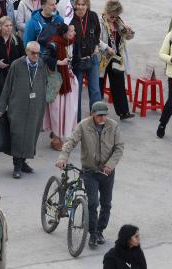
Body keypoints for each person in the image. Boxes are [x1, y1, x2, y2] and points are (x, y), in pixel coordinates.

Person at [56, 101, 124, 248]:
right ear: (92, 114)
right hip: (90, 171)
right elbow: (71, 142)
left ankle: (100, 230)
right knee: (93, 203)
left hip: (107, 172)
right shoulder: (83, 125)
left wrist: (110, 165)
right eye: (99, 115)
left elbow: (119, 148)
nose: (102, 118)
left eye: (105, 115)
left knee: (106, 204)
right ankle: (92, 233)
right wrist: (63, 158)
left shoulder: (113, 126)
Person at [0, 41, 46, 178]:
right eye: (33, 53)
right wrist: (1, 107)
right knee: (18, 135)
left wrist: (43, 105)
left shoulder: (41, 64)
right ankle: (17, 166)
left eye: (38, 53)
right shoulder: (16, 65)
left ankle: (23, 162)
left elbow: (44, 84)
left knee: (31, 135)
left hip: (35, 106)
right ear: (26, 51)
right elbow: (7, 87)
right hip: (18, 105)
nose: (36, 56)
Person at [43, 24, 78, 151]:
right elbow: (44, 57)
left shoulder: (71, 42)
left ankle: (58, 134)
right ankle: (56, 138)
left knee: (67, 111)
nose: (74, 33)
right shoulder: (54, 44)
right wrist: (59, 62)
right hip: (57, 83)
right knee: (57, 110)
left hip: (69, 82)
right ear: (64, 33)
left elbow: (75, 59)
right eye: (71, 31)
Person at [70, 0, 102, 121]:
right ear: (74, 5)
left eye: (83, 4)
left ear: (87, 5)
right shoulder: (71, 18)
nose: (81, 7)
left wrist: (96, 45)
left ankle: (97, 116)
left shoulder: (93, 16)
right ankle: (75, 120)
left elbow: (97, 32)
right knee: (76, 92)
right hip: (78, 60)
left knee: (95, 89)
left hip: (92, 57)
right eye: (78, 4)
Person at [0, 16, 24, 111]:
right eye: (6, 26)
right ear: (0, 27)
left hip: (14, 72)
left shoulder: (17, 40)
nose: (9, 28)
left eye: (11, 25)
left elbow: (23, 55)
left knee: (13, 99)